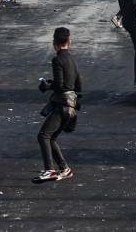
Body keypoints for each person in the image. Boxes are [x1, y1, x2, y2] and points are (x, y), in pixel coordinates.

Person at [34, 27, 81, 183]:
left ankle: (49, 170)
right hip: (72, 106)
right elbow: (78, 85)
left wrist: (46, 86)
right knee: (51, 137)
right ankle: (64, 169)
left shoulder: (57, 60)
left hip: (62, 105)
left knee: (43, 136)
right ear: (69, 41)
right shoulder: (73, 60)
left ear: (54, 43)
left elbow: (60, 85)